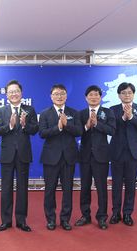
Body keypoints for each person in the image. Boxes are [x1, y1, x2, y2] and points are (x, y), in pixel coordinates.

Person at [0, 80, 39, 232]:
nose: (14, 94)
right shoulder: (1, 111)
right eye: (11, 91)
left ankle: (21, 220)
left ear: (21, 93)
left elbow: (35, 130)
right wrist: (11, 126)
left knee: (22, 188)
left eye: (16, 91)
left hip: (23, 154)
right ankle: (6, 221)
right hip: (7, 154)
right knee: (6, 188)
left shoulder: (30, 110)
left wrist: (25, 125)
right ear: (7, 94)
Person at [38, 84, 83, 231]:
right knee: (49, 190)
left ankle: (65, 219)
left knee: (68, 190)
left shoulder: (74, 113)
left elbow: (79, 131)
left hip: (69, 157)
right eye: (56, 94)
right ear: (51, 96)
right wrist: (58, 127)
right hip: (51, 157)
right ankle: (50, 219)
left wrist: (67, 125)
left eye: (62, 94)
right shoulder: (45, 113)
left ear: (66, 96)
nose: (59, 96)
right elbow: (42, 133)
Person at [75, 85, 115, 230]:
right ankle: (85, 215)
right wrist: (86, 126)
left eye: (96, 95)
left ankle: (102, 217)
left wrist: (97, 124)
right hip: (85, 155)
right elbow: (77, 131)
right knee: (84, 187)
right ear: (86, 98)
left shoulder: (107, 112)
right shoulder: (81, 113)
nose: (93, 97)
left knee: (101, 187)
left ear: (101, 97)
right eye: (90, 95)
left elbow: (112, 130)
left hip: (101, 156)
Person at [109, 82, 137, 226]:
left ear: (133, 94)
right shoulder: (112, 109)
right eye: (123, 92)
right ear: (119, 95)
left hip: (133, 152)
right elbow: (111, 128)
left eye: (129, 92)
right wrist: (123, 118)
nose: (126, 95)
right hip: (117, 151)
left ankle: (127, 214)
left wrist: (131, 117)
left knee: (131, 185)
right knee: (116, 185)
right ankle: (115, 213)